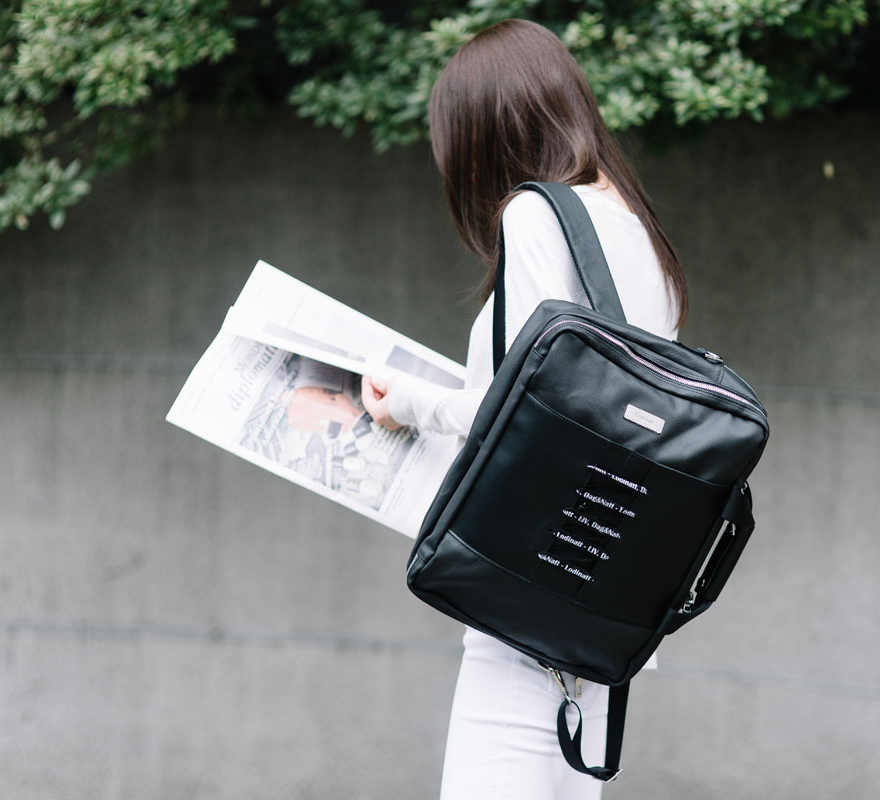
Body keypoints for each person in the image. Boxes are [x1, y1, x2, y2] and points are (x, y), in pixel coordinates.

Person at [360, 18, 688, 800]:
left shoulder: (537, 215)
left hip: (526, 603)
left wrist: (404, 401)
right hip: (601, 597)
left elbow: (521, 420)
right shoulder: (640, 234)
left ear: (489, 134)